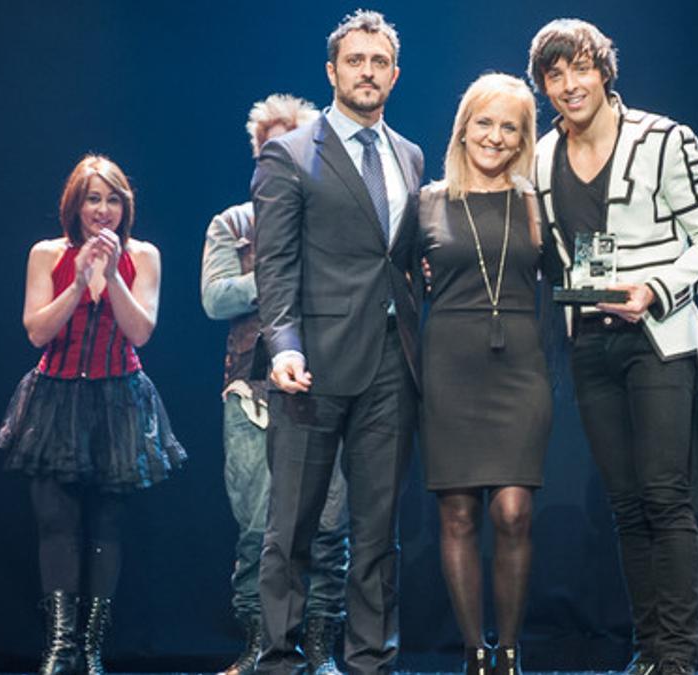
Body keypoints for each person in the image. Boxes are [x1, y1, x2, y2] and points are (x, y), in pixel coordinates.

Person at [528, 19, 698, 675]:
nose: (569, 85)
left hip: (658, 339)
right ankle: (649, 650)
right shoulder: (538, 157)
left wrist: (654, 287)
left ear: (604, 70)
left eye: (580, 69)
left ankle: (677, 655)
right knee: (625, 504)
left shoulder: (665, 138)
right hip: (588, 344)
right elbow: (544, 256)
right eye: (555, 75)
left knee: (663, 496)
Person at [250, 10, 423, 675]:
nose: (368, 71)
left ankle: (370, 662)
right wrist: (284, 345)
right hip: (312, 363)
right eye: (356, 60)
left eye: (379, 62)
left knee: (378, 531)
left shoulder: (408, 154)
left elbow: (397, 257)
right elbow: (275, 264)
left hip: (390, 360)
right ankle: (279, 661)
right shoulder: (290, 152)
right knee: (292, 525)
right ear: (332, 70)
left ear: (395, 74)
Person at [0, 154, 186, 675]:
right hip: (56, 397)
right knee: (55, 523)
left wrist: (112, 276)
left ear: (127, 206)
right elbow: (36, 331)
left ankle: (93, 647)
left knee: (107, 525)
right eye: (93, 199)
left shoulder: (144, 255)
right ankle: (60, 647)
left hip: (118, 398)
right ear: (75, 206)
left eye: (113, 199)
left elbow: (141, 330)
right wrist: (78, 282)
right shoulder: (46, 253)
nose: (103, 210)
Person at [201, 94, 350, 675]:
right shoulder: (233, 223)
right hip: (251, 394)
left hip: (326, 383)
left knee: (331, 526)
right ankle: (263, 647)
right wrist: (282, 265)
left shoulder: (336, 216)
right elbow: (215, 298)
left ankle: (319, 652)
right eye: (271, 149)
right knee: (258, 530)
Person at [418, 73, 549, 675]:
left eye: (510, 127)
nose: (494, 137)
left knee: (513, 511)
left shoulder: (535, 203)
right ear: (463, 127)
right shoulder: (428, 202)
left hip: (519, 367)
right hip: (449, 366)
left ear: (524, 139)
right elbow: (396, 274)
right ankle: (476, 655)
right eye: (485, 122)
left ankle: (512, 652)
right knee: (460, 513)